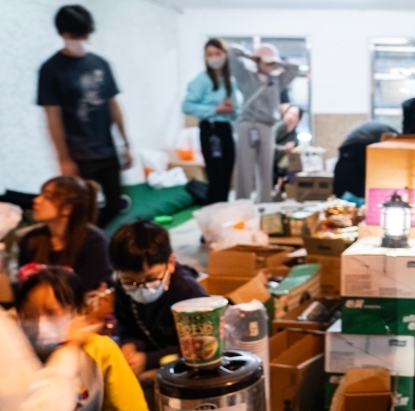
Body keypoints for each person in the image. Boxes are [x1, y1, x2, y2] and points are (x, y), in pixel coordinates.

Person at [16, 267, 160, 411]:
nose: (40, 322)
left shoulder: (99, 350)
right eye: (30, 314)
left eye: (51, 313)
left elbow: (128, 408)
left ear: (78, 312)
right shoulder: (14, 355)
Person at [38, 5, 132, 227]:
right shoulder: (51, 70)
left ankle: (95, 242)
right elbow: (52, 118)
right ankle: (85, 249)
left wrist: (126, 143)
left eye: (85, 34)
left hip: (107, 149)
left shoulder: (100, 64)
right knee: (82, 210)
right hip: (79, 154)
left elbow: (113, 105)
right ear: (63, 34)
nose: (82, 39)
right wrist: (63, 159)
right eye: (76, 35)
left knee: (114, 203)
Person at [110, 219, 207, 375]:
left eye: (151, 279)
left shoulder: (187, 291)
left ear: (170, 262)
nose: (142, 288)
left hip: (185, 358)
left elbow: (203, 345)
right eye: (131, 282)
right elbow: (128, 327)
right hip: (151, 350)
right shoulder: (122, 287)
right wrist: (130, 346)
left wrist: (148, 360)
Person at [228, 42, 300, 202]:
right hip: (247, 125)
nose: (269, 65)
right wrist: (251, 56)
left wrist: (276, 61)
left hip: (267, 126)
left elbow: (294, 68)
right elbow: (232, 52)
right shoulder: (245, 75)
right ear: (257, 60)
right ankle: (243, 203)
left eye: (271, 61)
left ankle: (265, 204)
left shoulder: (277, 80)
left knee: (266, 169)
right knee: (244, 169)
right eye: (266, 61)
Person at [18, 176, 113, 291]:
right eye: (40, 194)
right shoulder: (31, 239)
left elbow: (89, 289)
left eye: (47, 197)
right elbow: (24, 287)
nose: (36, 200)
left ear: (67, 209)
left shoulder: (95, 242)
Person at [182, 38, 242, 204]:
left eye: (218, 53)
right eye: (209, 54)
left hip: (225, 129)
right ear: (205, 58)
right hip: (210, 130)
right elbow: (186, 106)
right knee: (216, 176)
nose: (214, 57)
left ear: (225, 55)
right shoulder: (201, 80)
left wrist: (232, 110)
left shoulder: (230, 81)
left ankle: (222, 216)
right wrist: (215, 109)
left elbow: (236, 112)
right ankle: (211, 220)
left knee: (226, 175)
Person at [332, 121, 398, 199]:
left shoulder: (391, 134)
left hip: (355, 145)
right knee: (350, 177)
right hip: (359, 145)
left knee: (345, 176)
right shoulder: (397, 138)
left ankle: (338, 198)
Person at [274, 104, 303, 180]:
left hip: (282, 168)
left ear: (299, 120)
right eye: (289, 113)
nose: (290, 117)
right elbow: (266, 146)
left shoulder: (295, 137)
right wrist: (283, 148)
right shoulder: (277, 128)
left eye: (294, 115)